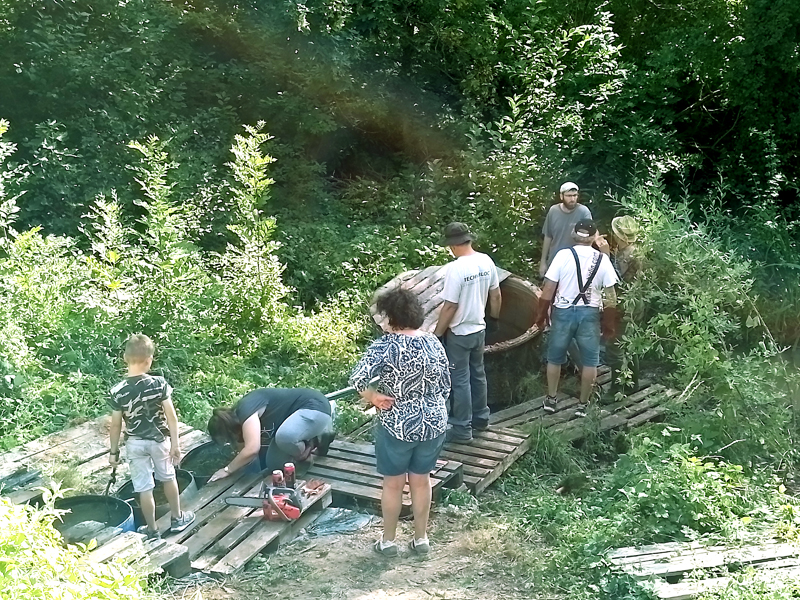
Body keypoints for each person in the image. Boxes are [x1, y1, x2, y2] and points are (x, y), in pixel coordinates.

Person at [350, 288, 450, 556]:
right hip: (433, 422)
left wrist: (374, 397)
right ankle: (421, 539)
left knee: (393, 484)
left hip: (397, 424)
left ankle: (389, 542)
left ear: (391, 317)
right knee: (422, 480)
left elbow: (358, 379)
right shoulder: (433, 343)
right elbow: (446, 385)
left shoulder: (385, 346)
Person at [108, 334, 195, 539]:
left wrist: (113, 452)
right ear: (149, 360)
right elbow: (171, 417)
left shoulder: (117, 391)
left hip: (135, 444)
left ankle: (152, 530)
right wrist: (176, 444)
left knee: (144, 488)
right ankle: (177, 518)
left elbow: (116, 425)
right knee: (168, 477)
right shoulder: (159, 384)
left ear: (125, 358)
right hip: (160, 441)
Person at [534, 220, 619, 416]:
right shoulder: (602, 259)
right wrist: (609, 323)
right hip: (589, 314)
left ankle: (551, 399)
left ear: (574, 234)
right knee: (590, 361)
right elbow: (611, 296)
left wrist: (541, 315)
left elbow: (548, 289)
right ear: (593, 237)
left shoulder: (563, 255)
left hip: (563, 312)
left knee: (555, 358)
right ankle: (583, 404)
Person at [433, 222, 501, 443]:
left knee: (460, 380)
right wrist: (494, 319)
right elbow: (496, 295)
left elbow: (450, 306)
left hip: (459, 333)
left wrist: (437, 334)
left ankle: (462, 429)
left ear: (453, 245)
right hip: (479, 329)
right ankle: (481, 419)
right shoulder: (486, 261)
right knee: (478, 374)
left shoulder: (456, 268)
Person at [206, 388, 335, 482]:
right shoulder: (239, 422)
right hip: (293, 423)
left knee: (285, 437)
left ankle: (313, 441)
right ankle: (310, 441)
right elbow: (245, 453)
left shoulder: (245, 409)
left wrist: (227, 470)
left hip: (315, 406)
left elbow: (252, 449)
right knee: (275, 465)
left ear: (227, 429)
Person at [595, 215, 642, 392]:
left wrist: (605, 255)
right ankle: (632, 384)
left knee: (615, 348)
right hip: (635, 305)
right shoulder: (633, 251)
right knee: (629, 345)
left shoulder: (628, 256)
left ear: (620, 236)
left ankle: (617, 389)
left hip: (623, 307)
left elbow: (615, 279)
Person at [538, 182, 593, 278]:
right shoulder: (553, 211)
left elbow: (590, 237)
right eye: (569, 196)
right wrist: (543, 262)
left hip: (575, 263)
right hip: (554, 262)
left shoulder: (584, 212)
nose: (572, 199)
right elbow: (548, 236)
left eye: (575, 195)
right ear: (561, 196)